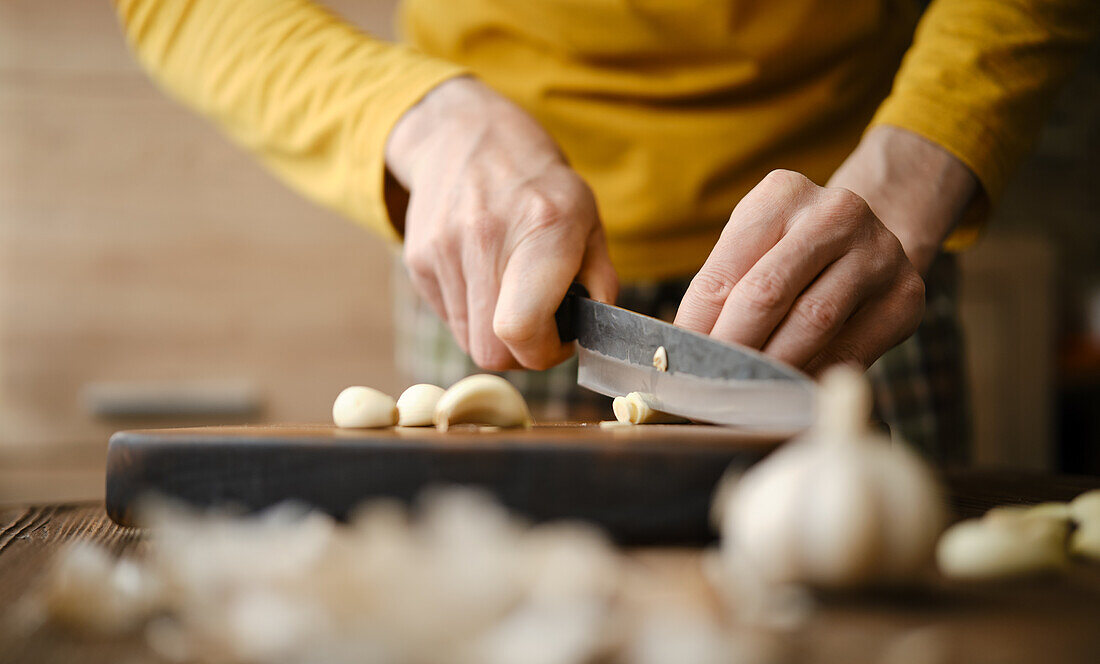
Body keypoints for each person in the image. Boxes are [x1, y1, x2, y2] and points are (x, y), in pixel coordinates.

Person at [113, 0, 1099, 463]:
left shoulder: (875, 233)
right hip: (496, 267)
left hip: (857, 253)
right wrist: (427, 121)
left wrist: (915, 166)